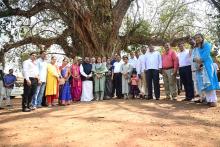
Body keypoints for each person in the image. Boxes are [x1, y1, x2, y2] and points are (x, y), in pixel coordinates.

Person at [193, 33, 219, 107]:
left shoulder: (207, 45)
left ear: (202, 38)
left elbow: (204, 57)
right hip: (200, 67)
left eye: (199, 37)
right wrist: (197, 62)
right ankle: (208, 100)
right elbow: (194, 58)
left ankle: (213, 100)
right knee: (204, 84)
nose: (197, 39)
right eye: (196, 38)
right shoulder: (197, 48)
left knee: (209, 82)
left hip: (207, 66)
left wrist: (197, 60)